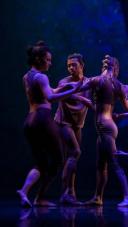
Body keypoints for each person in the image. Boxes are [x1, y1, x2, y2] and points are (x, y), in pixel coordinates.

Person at [17, 41, 82, 207]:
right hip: (42, 119)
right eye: (47, 59)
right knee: (59, 159)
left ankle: (25, 191)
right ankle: (39, 197)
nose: (50, 63)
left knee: (41, 163)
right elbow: (50, 98)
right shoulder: (42, 76)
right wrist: (74, 90)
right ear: (38, 59)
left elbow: (49, 91)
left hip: (29, 120)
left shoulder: (27, 76)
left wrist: (64, 87)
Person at [80, 55, 128, 206]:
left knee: (114, 163)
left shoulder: (97, 80)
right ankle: (98, 197)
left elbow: (78, 88)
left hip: (106, 127)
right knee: (100, 165)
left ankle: (127, 198)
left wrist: (56, 91)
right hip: (104, 129)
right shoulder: (117, 85)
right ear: (115, 68)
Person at [54, 53, 93, 205]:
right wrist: (82, 98)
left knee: (73, 159)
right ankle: (65, 193)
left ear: (82, 66)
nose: (71, 68)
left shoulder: (88, 82)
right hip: (63, 122)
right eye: (69, 65)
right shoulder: (64, 82)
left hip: (78, 124)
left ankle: (72, 192)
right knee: (74, 153)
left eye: (74, 65)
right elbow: (60, 94)